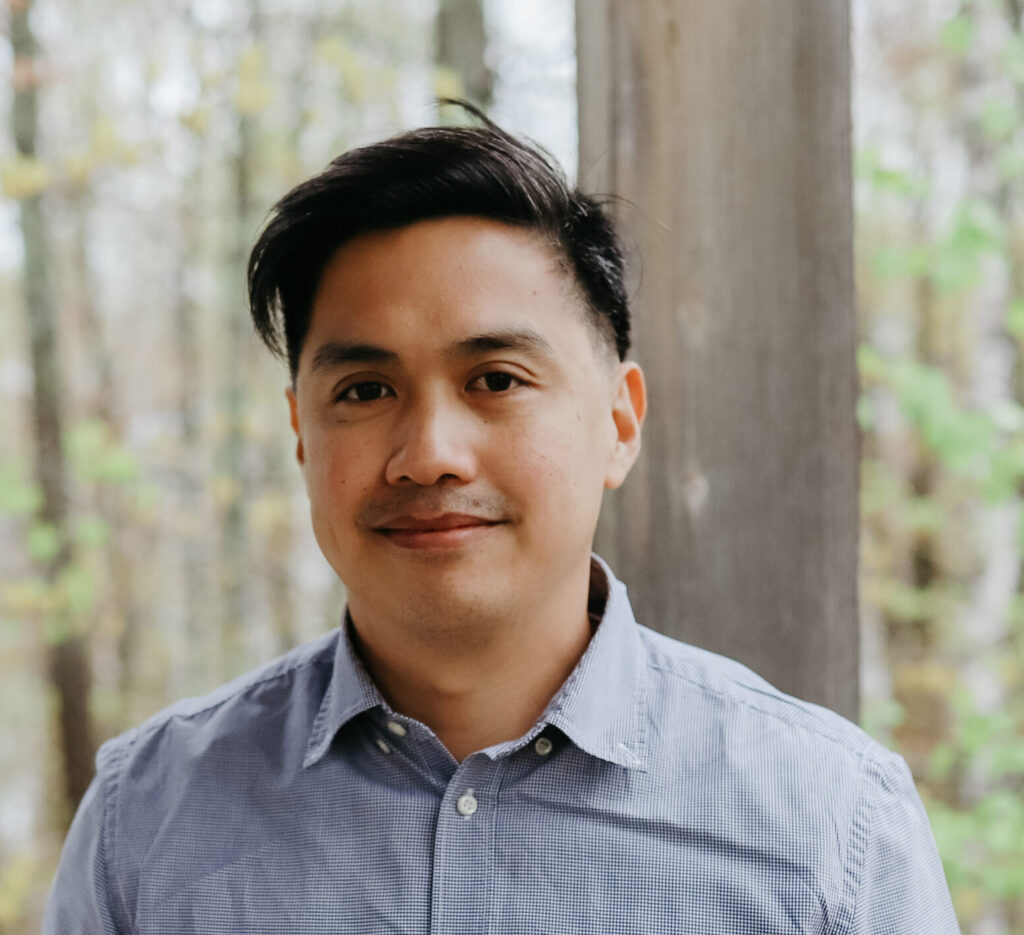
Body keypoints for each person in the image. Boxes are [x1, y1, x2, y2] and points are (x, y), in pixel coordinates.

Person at [45, 104, 961, 934]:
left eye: (496, 380)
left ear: (618, 422)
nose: (430, 452)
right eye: (365, 389)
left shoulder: (832, 826)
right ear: (301, 434)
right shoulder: (147, 822)